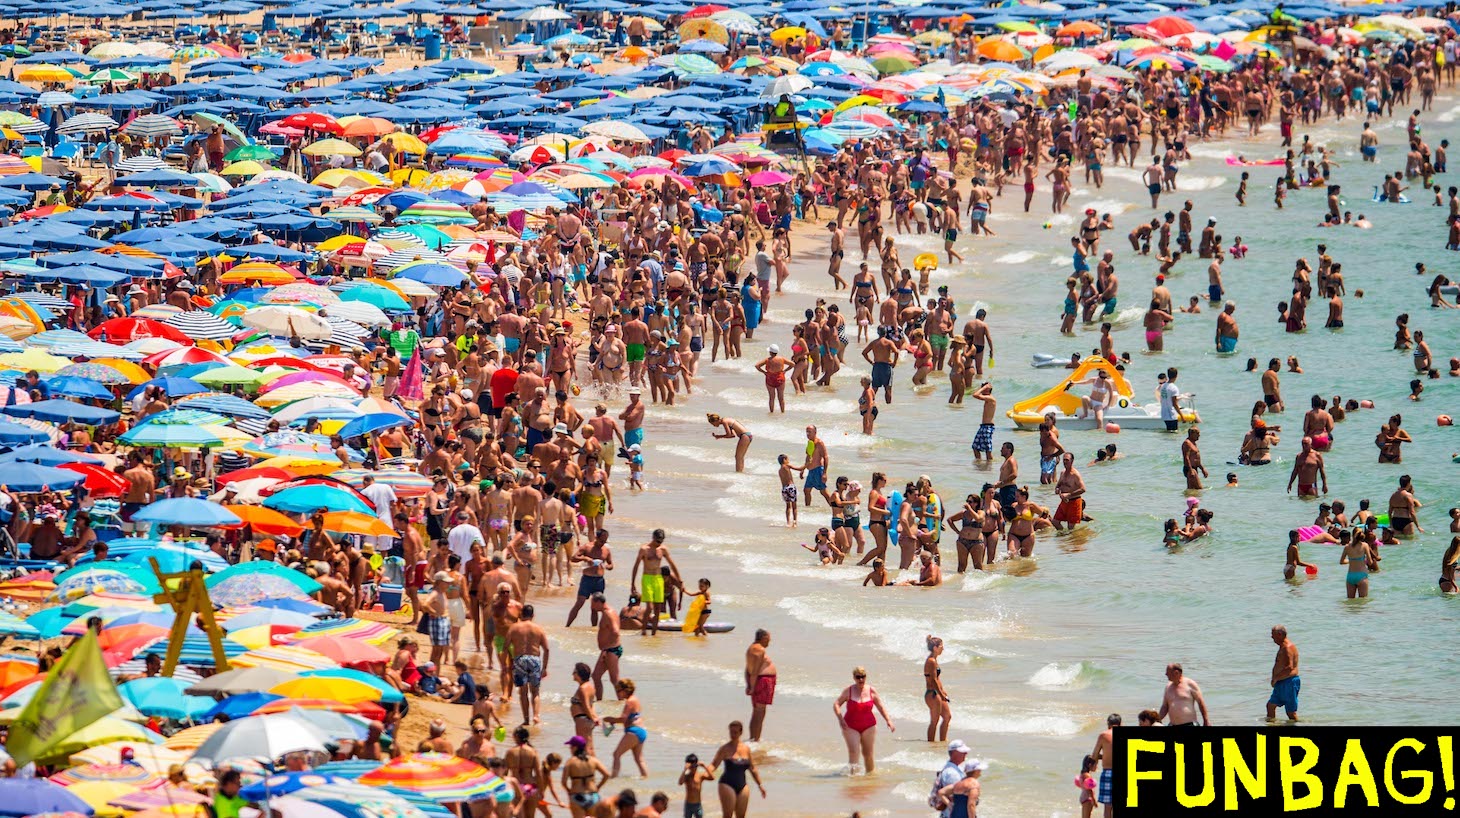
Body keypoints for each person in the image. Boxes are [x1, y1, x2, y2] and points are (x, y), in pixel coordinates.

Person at [832, 666, 895, 774]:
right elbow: (836, 704)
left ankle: (870, 778)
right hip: (850, 726)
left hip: (869, 726)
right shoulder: (849, 691)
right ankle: (853, 778)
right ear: (854, 678)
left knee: (868, 754)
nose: (861, 679)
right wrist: (840, 719)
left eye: (863, 677)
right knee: (854, 752)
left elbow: (880, 707)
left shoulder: (871, 690)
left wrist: (888, 720)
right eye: (858, 677)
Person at [709, 721, 765, 818]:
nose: (733, 735)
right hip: (727, 784)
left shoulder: (746, 749)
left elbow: (752, 768)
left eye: (735, 732)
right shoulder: (724, 748)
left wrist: (760, 785)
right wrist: (706, 771)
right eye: (731, 732)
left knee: (741, 816)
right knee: (728, 815)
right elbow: (714, 765)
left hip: (742, 785)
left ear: (740, 732)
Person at [744, 629, 776, 742]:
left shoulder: (751, 648)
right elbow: (755, 670)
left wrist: (749, 684)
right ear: (763, 638)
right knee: (760, 712)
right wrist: (752, 686)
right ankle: (756, 740)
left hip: (757, 681)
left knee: (756, 711)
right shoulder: (760, 650)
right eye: (768, 639)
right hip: (762, 681)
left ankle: (753, 738)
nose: (769, 642)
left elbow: (747, 669)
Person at [1267, 625, 1300, 722]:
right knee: (1270, 706)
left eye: (1273, 635)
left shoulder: (1287, 648)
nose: (1271, 637)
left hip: (1288, 682)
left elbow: (1289, 667)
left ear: (1280, 634)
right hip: (1282, 682)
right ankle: (1272, 724)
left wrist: (1276, 678)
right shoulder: (1284, 647)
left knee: (1290, 713)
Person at [1089, 714, 1119, 817]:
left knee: (1107, 808)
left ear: (1108, 724)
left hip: (1108, 773)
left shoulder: (1104, 735)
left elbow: (1094, 755)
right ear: (1120, 724)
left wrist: (1093, 767)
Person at [924, 635, 951, 742]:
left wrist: (943, 692)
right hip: (933, 693)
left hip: (937, 693)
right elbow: (933, 680)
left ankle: (942, 741)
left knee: (947, 716)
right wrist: (941, 693)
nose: (943, 648)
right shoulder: (931, 661)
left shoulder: (934, 660)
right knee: (934, 721)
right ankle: (931, 744)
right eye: (941, 646)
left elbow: (937, 679)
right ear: (935, 648)